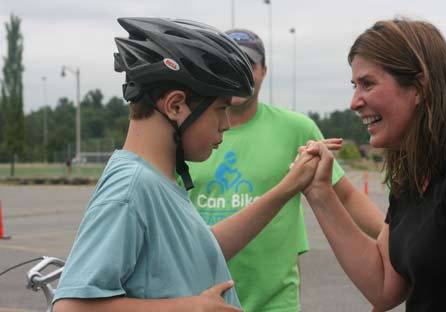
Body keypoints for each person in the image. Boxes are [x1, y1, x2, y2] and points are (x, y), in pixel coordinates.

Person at [51, 17, 323, 312]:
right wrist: (192, 308)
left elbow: (201, 250)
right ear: (176, 106)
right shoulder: (130, 188)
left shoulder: (159, 182)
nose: (227, 124)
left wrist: (287, 188)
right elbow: (71, 307)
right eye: (220, 109)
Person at [187, 28, 384, 312]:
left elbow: (348, 197)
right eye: (229, 64)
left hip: (275, 302)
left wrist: (399, 245)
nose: (239, 74)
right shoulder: (189, 134)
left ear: (264, 71)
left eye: (249, 64)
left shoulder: (297, 129)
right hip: (202, 298)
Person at [302, 18, 446, 311]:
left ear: (418, 87)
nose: (354, 102)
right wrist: (320, 193)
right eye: (355, 85)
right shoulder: (414, 167)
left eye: (367, 83)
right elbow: (384, 285)